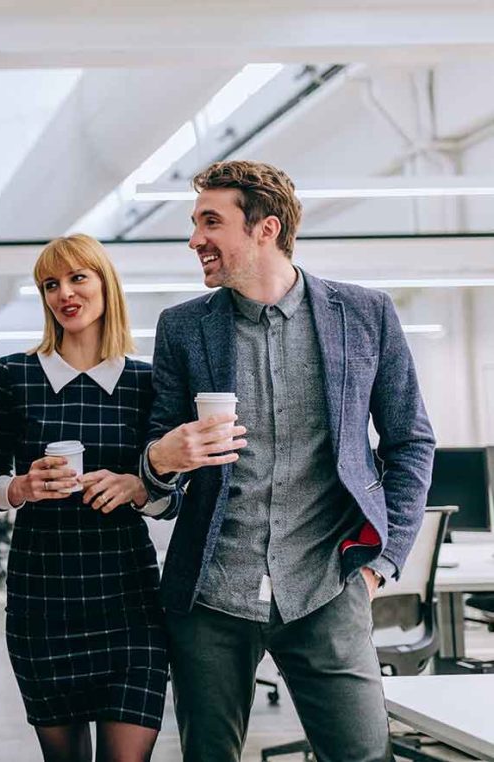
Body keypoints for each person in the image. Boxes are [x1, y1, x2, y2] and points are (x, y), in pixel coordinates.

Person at [139, 160, 436, 761]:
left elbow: (410, 441)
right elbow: (162, 479)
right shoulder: (183, 328)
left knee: (362, 755)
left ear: (265, 229)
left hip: (328, 583)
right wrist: (159, 461)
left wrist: (383, 561)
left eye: (210, 222)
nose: (195, 239)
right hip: (213, 592)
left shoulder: (364, 315)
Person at [0, 234, 168, 762]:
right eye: (50, 284)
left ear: (105, 283)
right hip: (43, 590)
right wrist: (19, 488)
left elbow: (172, 497)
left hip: (126, 594)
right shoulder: (15, 376)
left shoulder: (145, 383)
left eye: (78, 277)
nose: (64, 293)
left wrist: (139, 487)